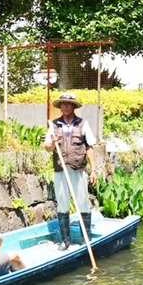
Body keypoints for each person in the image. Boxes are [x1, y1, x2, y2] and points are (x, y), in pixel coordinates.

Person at [43, 92, 99, 251]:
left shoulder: (82, 124)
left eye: (68, 104)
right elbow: (47, 148)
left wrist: (94, 170)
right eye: (63, 104)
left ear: (74, 106)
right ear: (60, 107)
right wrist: (52, 143)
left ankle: (86, 239)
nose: (65, 106)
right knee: (62, 203)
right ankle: (65, 241)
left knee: (82, 202)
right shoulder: (54, 125)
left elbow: (90, 147)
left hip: (78, 169)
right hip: (61, 170)